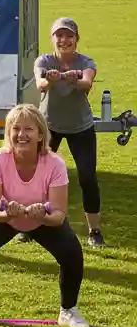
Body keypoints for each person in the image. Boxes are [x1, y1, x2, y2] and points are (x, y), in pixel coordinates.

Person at [0, 103, 89, 327]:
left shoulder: (55, 163)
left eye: (28, 129)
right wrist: (6, 213)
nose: (21, 135)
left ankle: (68, 311)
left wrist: (41, 216)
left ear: (40, 134)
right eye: (16, 129)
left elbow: (58, 215)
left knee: (72, 255)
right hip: (5, 217)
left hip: (42, 218)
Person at [35, 17, 104, 247]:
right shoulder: (44, 61)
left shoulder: (86, 61)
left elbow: (87, 83)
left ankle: (94, 231)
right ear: (53, 39)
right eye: (59, 35)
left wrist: (75, 80)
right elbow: (40, 84)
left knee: (87, 177)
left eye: (69, 36)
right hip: (49, 126)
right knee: (36, 175)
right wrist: (50, 81)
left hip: (80, 127)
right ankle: (29, 224)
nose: (64, 40)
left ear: (76, 39)